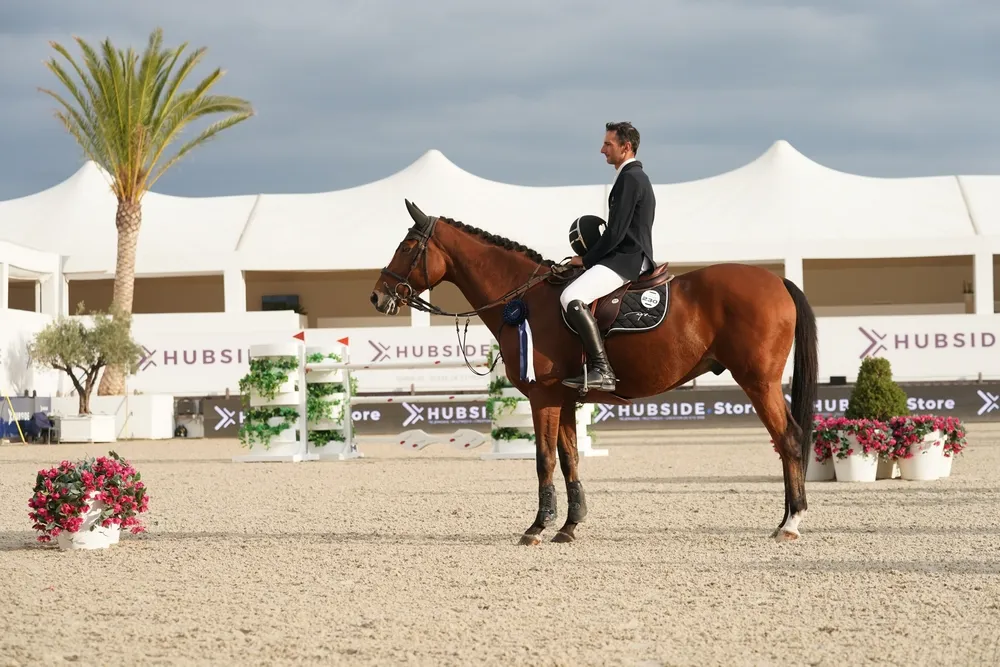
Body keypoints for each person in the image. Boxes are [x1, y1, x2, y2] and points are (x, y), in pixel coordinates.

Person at [560, 121, 656, 392]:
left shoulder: (630, 178)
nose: (602, 149)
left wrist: (586, 259)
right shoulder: (633, 177)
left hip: (626, 259)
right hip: (628, 256)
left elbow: (615, 233)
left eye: (608, 144)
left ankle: (602, 369)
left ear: (626, 147)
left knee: (570, 297)